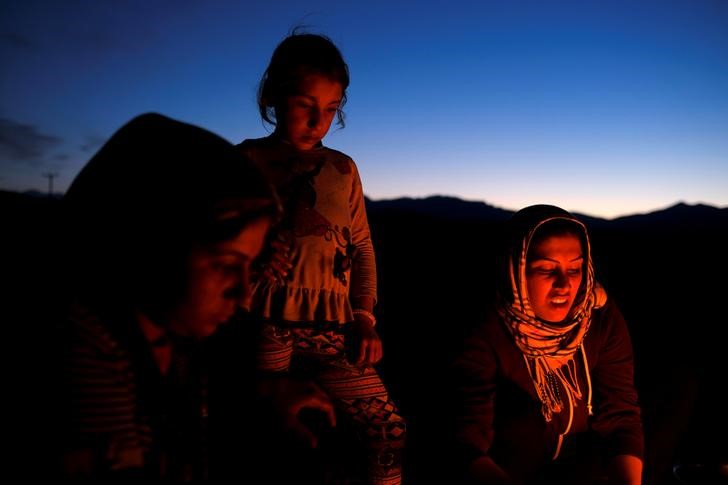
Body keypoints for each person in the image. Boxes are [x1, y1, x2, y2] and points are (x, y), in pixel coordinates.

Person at [54, 113, 336, 482]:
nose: (241, 292)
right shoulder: (85, 354)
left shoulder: (172, 335)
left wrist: (261, 396)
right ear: (150, 244)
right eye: (224, 263)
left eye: (250, 266)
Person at [236, 31, 406, 485]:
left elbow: (362, 246)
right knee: (274, 433)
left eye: (331, 109)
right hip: (264, 320)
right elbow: (215, 240)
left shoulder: (343, 169)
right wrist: (253, 259)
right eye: (305, 105)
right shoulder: (246, 160)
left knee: (388, 432)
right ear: (273, 96)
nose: (318, 121)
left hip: (335, 326)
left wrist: (364, 316)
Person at [451, 204, 644, 484]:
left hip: (582, 464)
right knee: (527, 419)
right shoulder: (485, 331)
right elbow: (463, 440)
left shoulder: (598, 316)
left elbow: (621, 411)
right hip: (508, 469)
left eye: (575, 268)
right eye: (545, 269)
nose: (564, 284)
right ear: (515, 271)